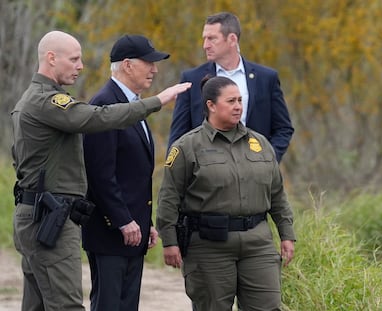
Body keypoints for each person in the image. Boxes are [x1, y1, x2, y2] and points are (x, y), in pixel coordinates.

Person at [11, 30, 191, 311]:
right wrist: (157, 101)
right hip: (50, 217)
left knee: (38, 306)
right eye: (74, 59)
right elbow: (98, 119)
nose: (80, 66)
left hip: (43, 213)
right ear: (51, 58)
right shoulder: (46, 101)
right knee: (66, 306)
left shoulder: (37, 100)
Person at [156, 76, 296, 311]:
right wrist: (169, 242)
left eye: (240, 100)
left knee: (268, 306)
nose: (238, 106)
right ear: (211, 105)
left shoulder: (260, 143)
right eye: (231, 101)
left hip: (257, 243)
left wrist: (286, 233)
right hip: (209, 245)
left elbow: (277, 194)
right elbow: (169, 198)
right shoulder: (187, 146)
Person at [81, 34, 169, 311]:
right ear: (128, 65)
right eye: (149, 63)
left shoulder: (132, 105)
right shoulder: (105, 104)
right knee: (108, 306)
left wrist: (145, 221)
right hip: (110, 234)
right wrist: (122, 220)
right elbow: (100, 174)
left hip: (132, 232)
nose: (154, 70)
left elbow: (133, 174)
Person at [168, 11, 294, 163]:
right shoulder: (192, 79)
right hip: (206, 176)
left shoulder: (266, 78)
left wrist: (268, 160)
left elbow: (283, 128)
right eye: (204, 39)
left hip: (254, 175)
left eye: (212, 39)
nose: (205, 45)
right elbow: (178, 135)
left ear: (232, 39)